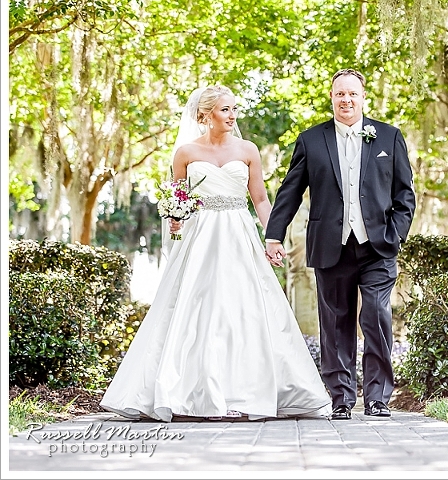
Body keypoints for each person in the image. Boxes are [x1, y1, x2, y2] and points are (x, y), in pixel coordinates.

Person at [100, 85, 332, 422]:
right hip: (200, 239)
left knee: (243, 309)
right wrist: (175, 220)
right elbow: (178, 200)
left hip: (238, 235)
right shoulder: (185, 153)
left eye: (234, 109)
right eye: (225, 109)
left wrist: (273, 238)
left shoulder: (248, 150)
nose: (232, 115)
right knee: (198, 309)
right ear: (204, 115)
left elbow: (260, 200)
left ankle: (246, 393)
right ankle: (190, 395)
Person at [264, 69, 416, 420]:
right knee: (335, 325)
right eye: (340, 94)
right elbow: (290, 191)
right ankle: (342, 398)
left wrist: (396, 235)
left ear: (363, 97)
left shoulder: (389, 137)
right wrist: (274, 234)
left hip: (377, 246)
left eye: (352, 94)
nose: (346, 100)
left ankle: (377, 397)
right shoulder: (311, 140)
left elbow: (405, 194)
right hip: (330, 245)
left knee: (376, 316)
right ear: (331, 98)